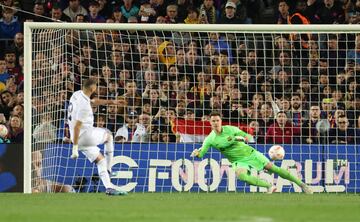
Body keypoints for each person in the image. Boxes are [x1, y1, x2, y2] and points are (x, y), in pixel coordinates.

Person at [190, 111, 313, 194]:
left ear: (221, 121)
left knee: (273, 168)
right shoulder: (210, 139)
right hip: (238, 161)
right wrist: (197, 153)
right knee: (242, 176)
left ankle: (302, 185)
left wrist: (245, 138)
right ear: (210, 123)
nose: (215, 123)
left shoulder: (231, 129)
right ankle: (268, 186)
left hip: (251, 153)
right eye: (213, 121)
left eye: (217, 120)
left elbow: (247, 135)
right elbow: (202, 153)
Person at [68, 78, 127, 196]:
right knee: (109, 136)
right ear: (92, 88)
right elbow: (77, 127)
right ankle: (110, 169)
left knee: (100, 161)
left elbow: (93, 102)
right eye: (95, 86)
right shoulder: (84, 106)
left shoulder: (77, 94)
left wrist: (112, 102)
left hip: (77, 139)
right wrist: (74, 149)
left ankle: (109, 188)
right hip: (85, 135)